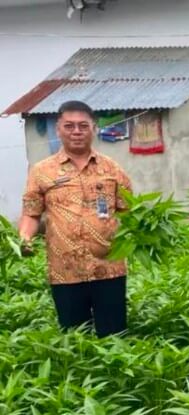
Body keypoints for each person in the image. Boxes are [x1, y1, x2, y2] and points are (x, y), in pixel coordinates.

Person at [18, 100, 132, 337]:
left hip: (109, 268)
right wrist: (24, 238)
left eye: (83, 126)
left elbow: (130, 213)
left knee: (115, 337)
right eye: (69, 126)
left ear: (94, 128)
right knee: (74, 339)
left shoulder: (113, 169)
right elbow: (31, 213)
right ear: (58, 129)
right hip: (65, 271)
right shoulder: (41, 171)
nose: (76, 131)